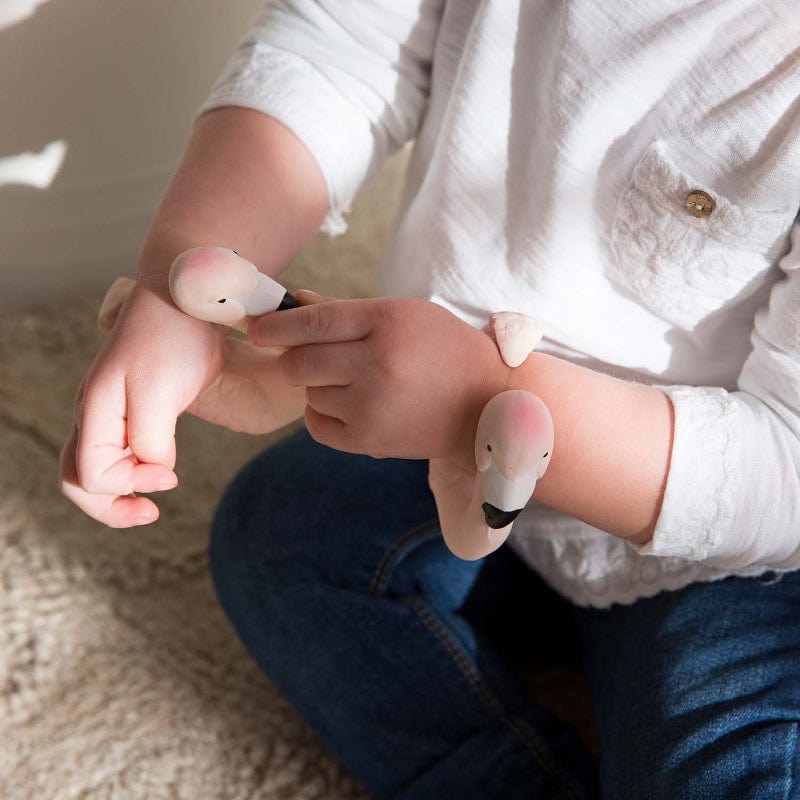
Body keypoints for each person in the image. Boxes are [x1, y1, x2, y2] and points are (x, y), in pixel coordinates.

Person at [60, 2, 800, 797]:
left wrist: (481, 396)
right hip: (441, 440)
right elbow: (336, 50)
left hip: (732, 549)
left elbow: (785, 477)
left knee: (729, 771)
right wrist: (176, 287)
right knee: (282, 533)